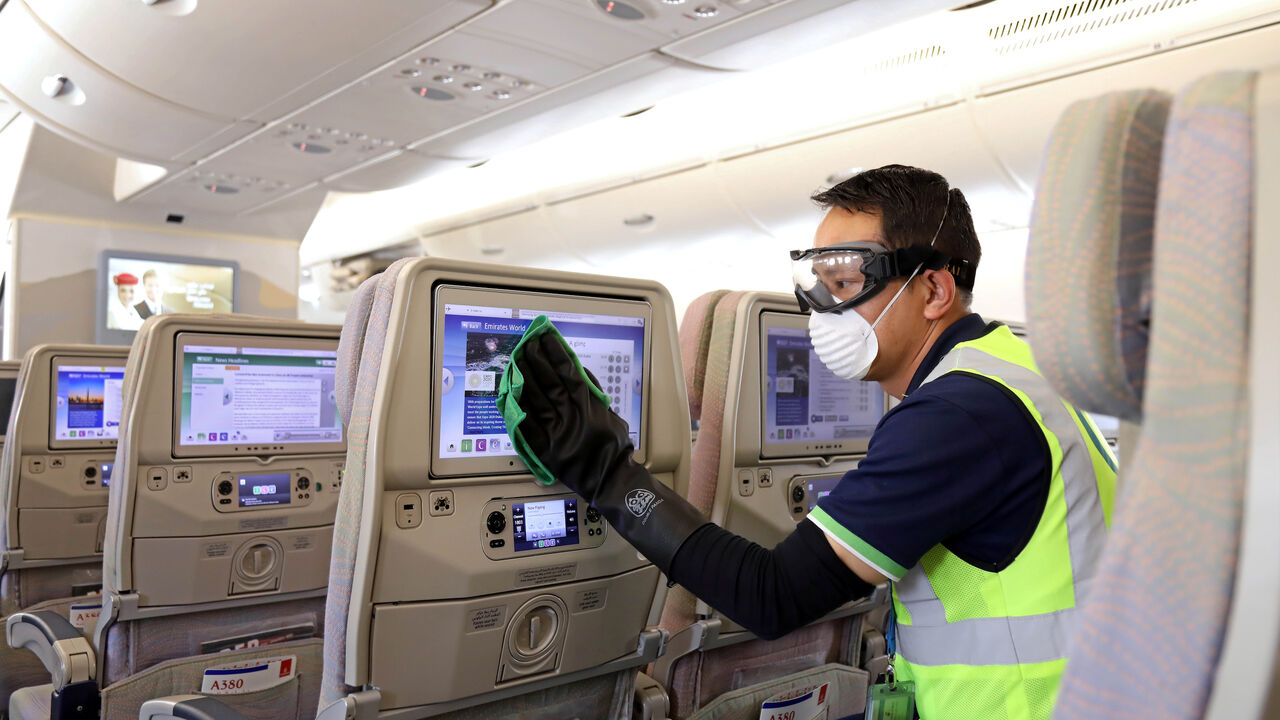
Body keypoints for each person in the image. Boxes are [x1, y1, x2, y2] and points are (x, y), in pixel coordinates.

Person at [511, 165, 1117, 720]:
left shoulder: (958, 415)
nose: (824, 310)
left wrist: (605, 472)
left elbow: (773, 595)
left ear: (933, 292)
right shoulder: (1012, 367)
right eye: (818, 282)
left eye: (848, 282)